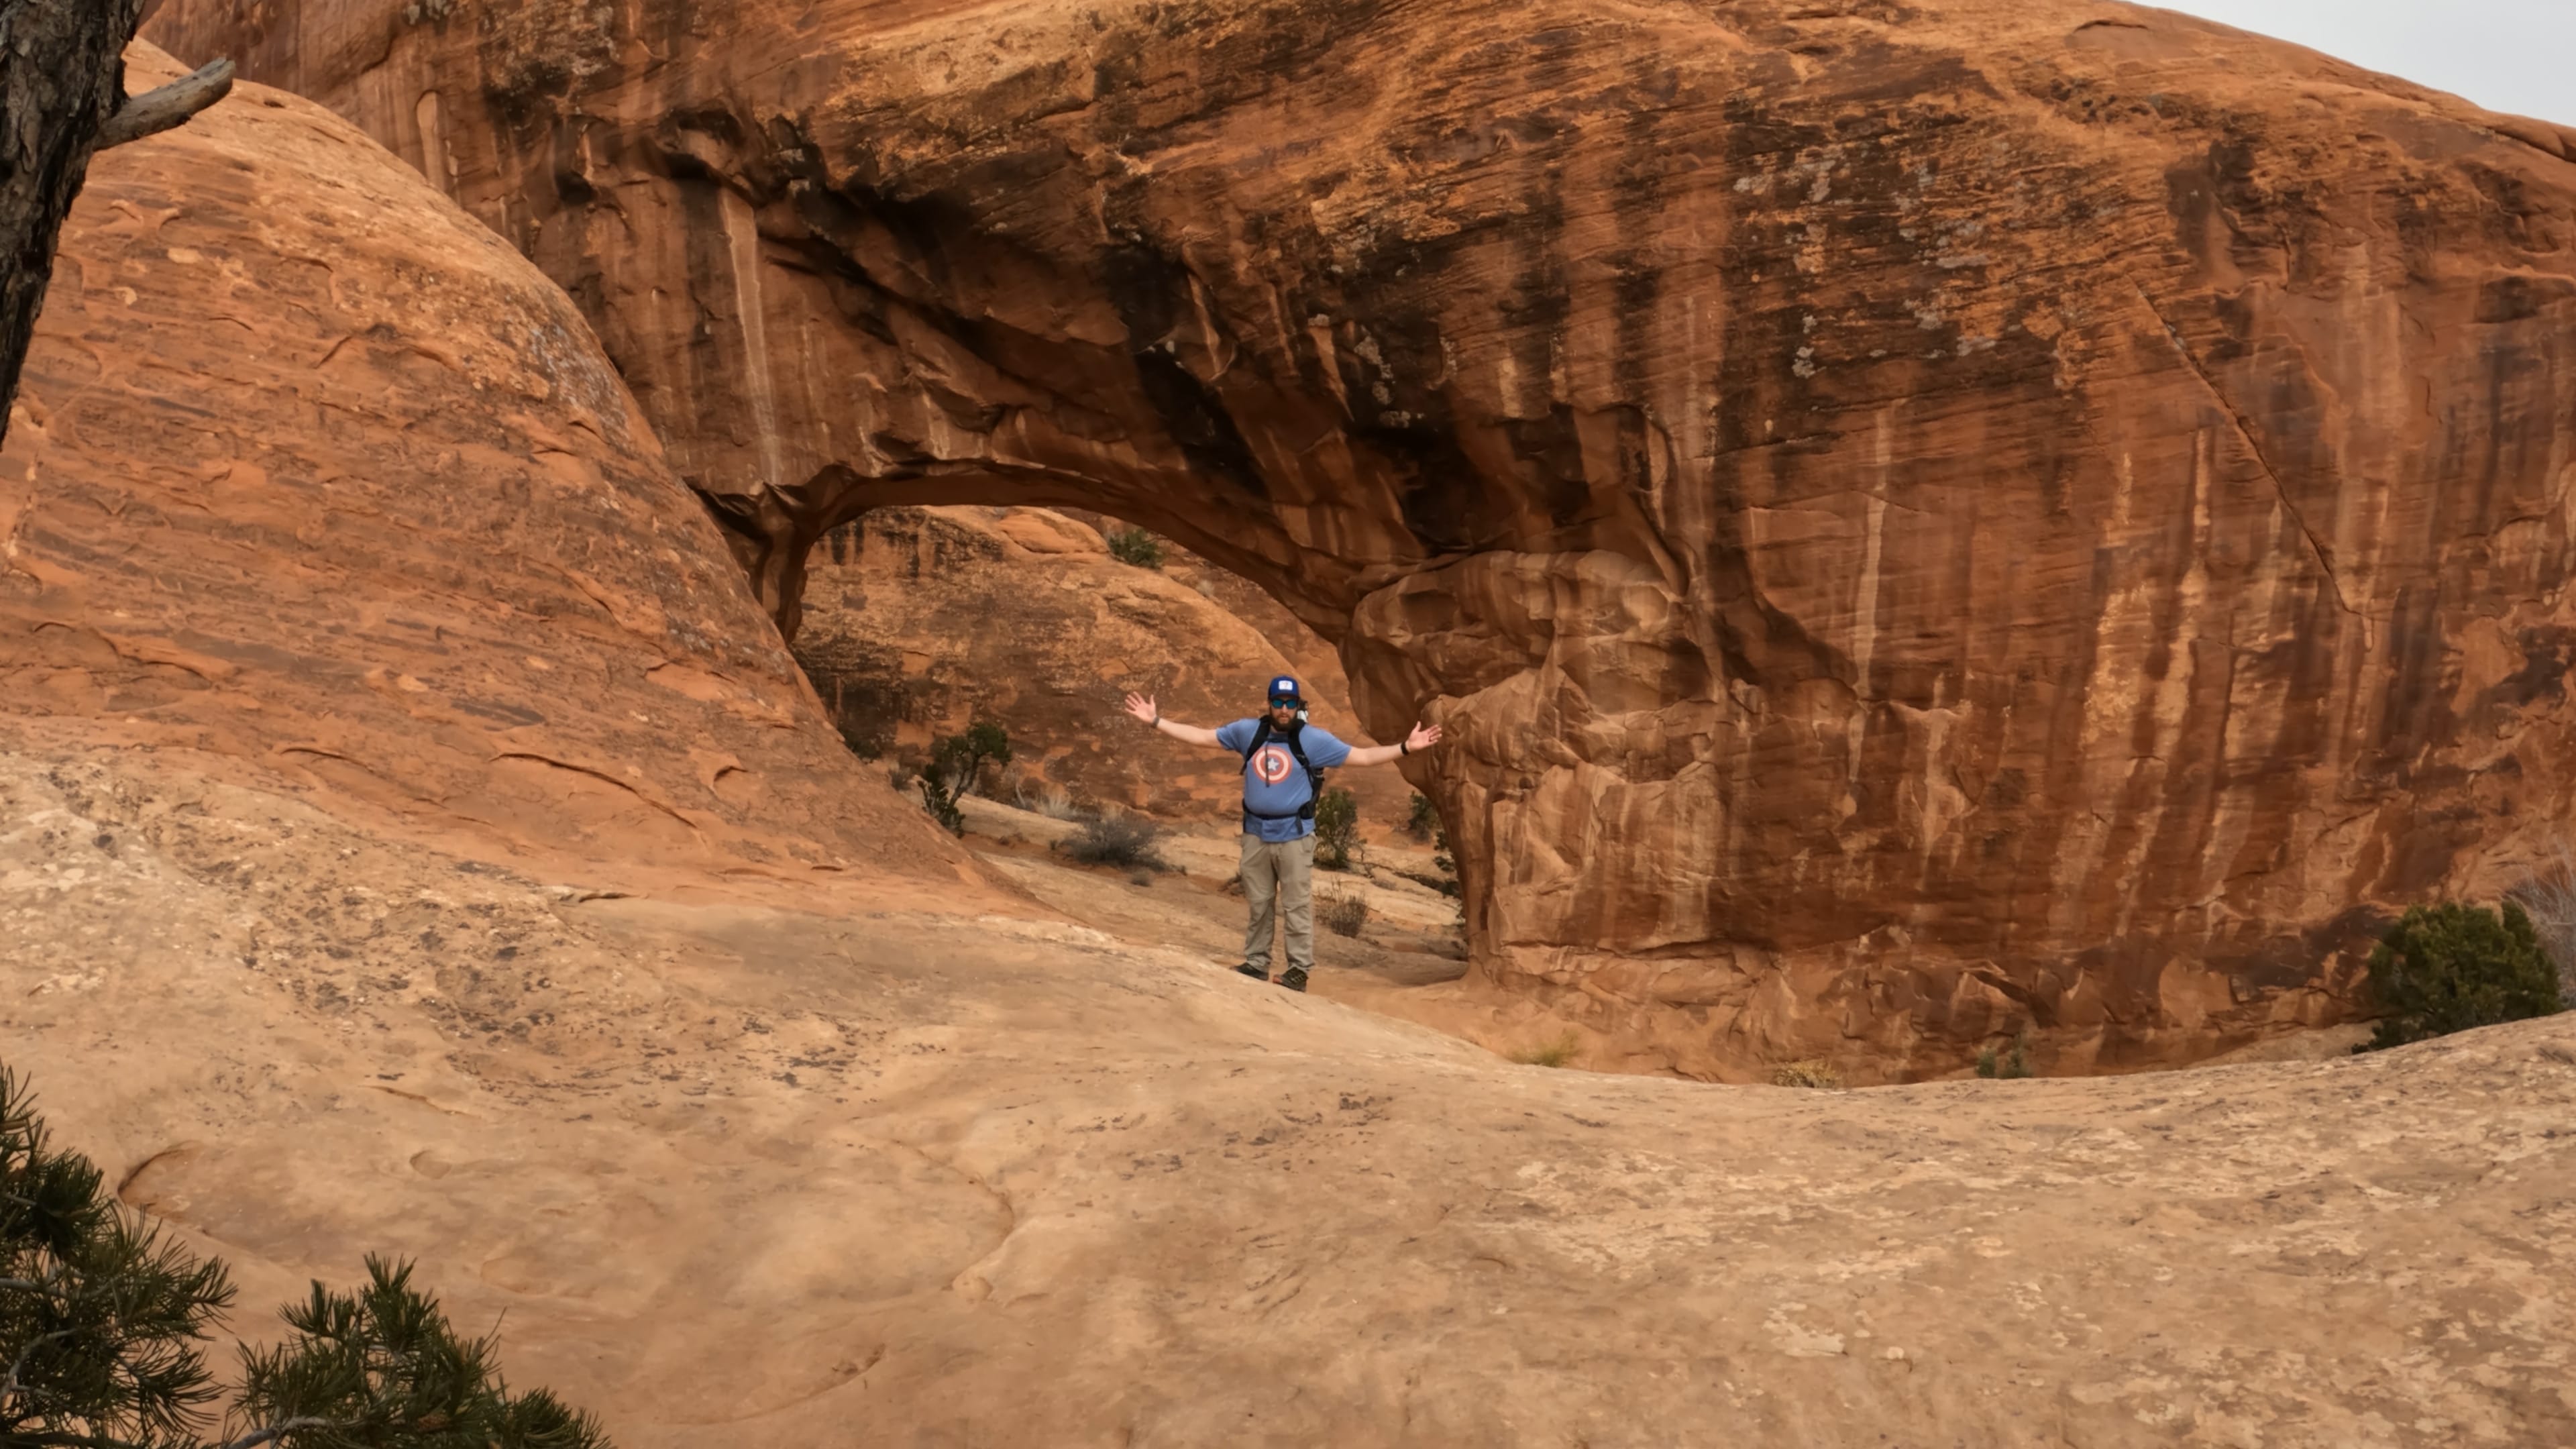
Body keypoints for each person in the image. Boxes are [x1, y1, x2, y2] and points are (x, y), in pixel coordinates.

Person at [1123, 675, 1442, 991]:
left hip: (1295, 835)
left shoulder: (1313, 741)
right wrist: (1155, 721)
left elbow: (1362, 756)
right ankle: (1257, 963)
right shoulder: (1248, 732)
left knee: (1296, 905)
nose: (1284, 709)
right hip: (1256, 834)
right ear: (1270, 704)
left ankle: (1298, 971)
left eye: (1290, 703)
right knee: (1259, 902)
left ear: (1298, 705)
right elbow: (1202, 737)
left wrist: (1406, 748)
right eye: (1278, 703)